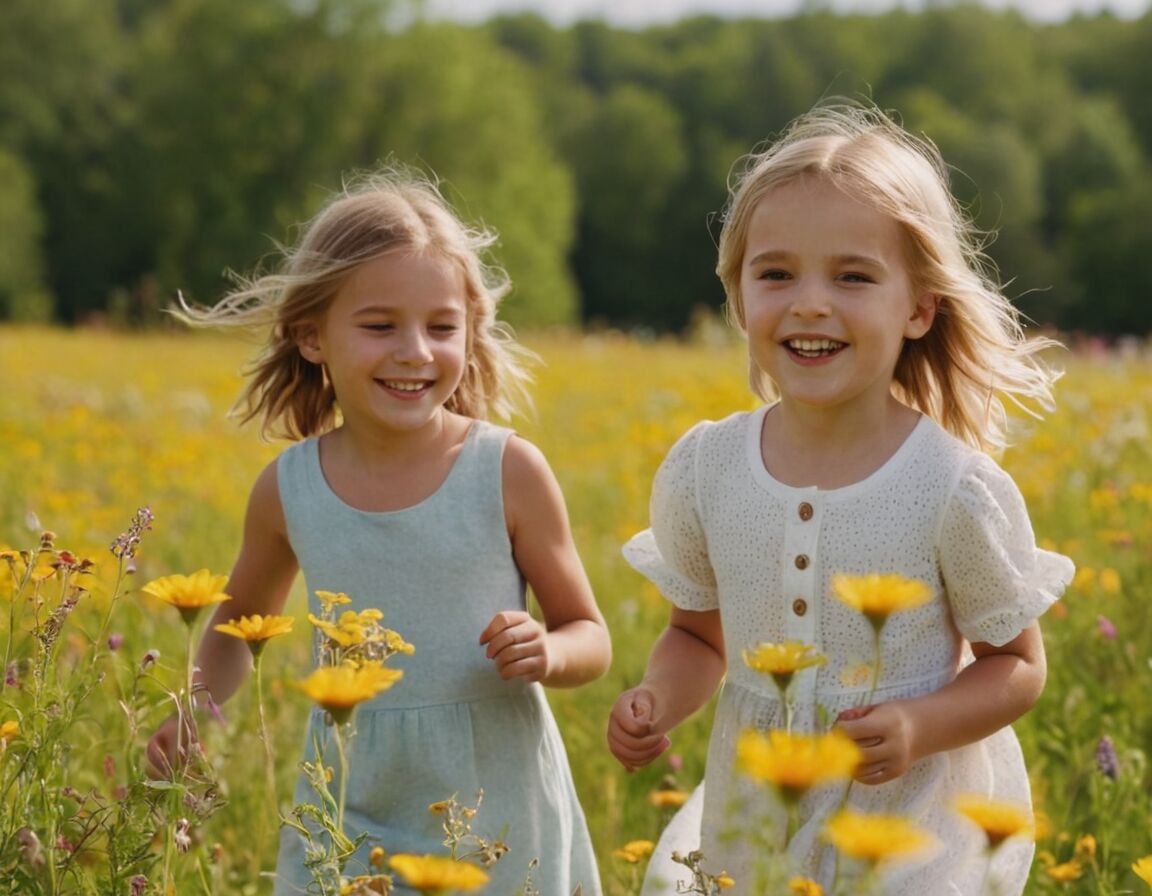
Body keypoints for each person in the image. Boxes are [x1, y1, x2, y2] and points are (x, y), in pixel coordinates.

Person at [606, 102, 1074, 895]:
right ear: (739, 295)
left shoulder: (952, 488)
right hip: (757, 812)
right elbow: (697, 637)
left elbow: (1018, 667)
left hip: (907, 827)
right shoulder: (707, 467)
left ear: (919, 308)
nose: (810, 303)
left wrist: (920, 726)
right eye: (776, 273)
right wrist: (658, 697)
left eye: (853, 276)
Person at [146, 166, 610, 895]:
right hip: (348, 804)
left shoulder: (507, 470)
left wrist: (549, 650)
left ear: (470, 331)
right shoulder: (288, 490)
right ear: (312, 336)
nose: (415, 351)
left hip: (496, 807)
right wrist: (196, 709)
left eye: (441, 327)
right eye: (380, 325)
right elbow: (239, 623)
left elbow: (591, 634)